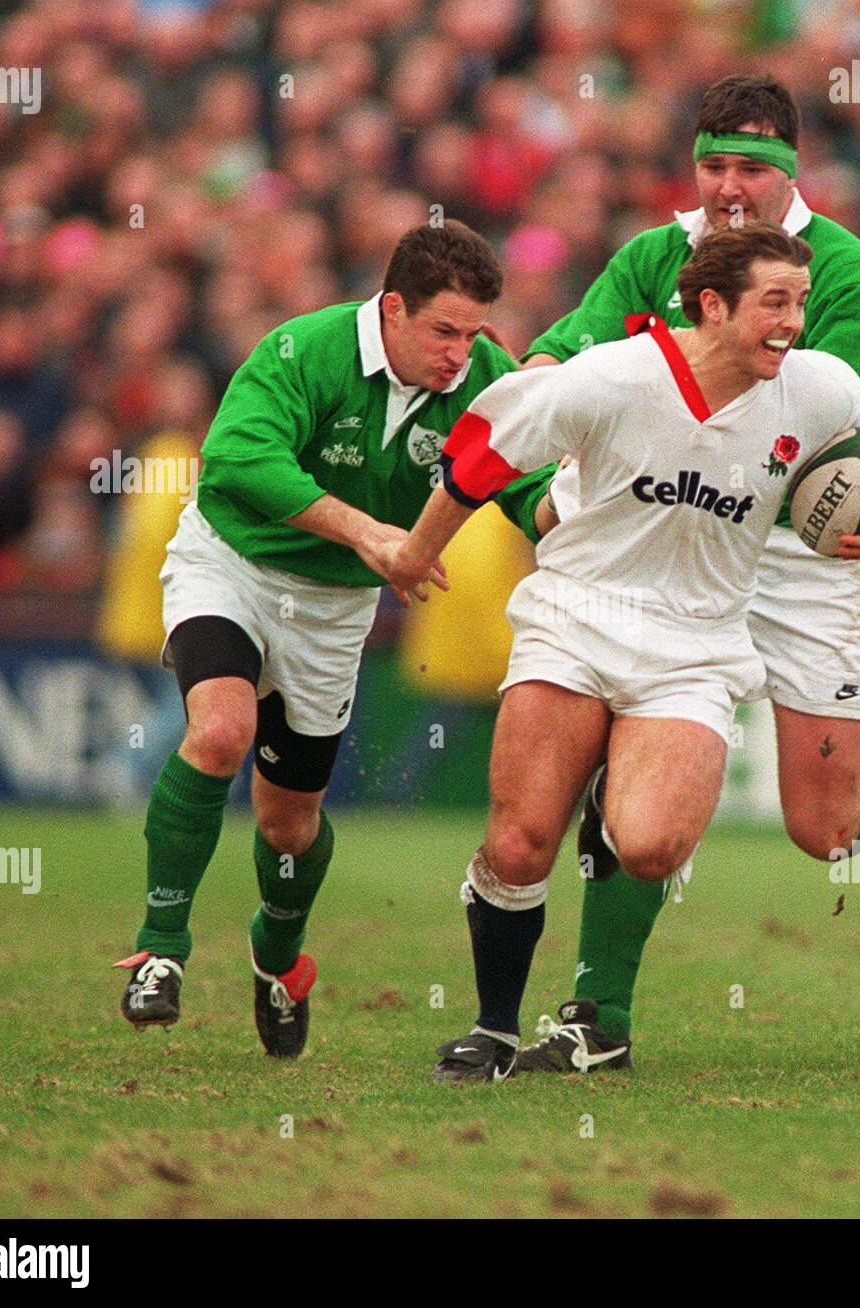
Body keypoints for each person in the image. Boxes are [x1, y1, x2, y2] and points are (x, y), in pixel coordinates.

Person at [501, 74, 860, 1073]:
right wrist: (532, 456)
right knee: (627, 784)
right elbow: (553, 368)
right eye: (712, 163)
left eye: (750, 167)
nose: (726, 185)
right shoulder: (649, 258)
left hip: (805, 557)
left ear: (790, 173)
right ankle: (598, 1019)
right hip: (682, 548)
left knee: (821, 824)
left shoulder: (845, 273)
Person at [380, 222, 860, 1082]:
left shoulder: (816, 389)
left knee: (651, 846)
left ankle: (613, 787)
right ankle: (494, 1028)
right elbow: (482, 449)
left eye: (801, 304)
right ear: (713, 304)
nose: (792, 322)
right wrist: (414, 551)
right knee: (518, 848)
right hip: (578, 617)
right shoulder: (616, 376)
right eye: (775, 303)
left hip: (696, 644)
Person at [113, 220, 541, 1057]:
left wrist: (571, 523)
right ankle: (160, 951)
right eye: (443, 331)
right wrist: (365, 532)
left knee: (289, 826)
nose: (461, 353)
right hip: (231, 565)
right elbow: (237, 457)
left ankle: (277, 956)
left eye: (475, 333)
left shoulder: (485, 379)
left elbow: (523, 488)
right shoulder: (304, 349)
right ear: (391, 310)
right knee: (220, 731)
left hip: (333, 610)